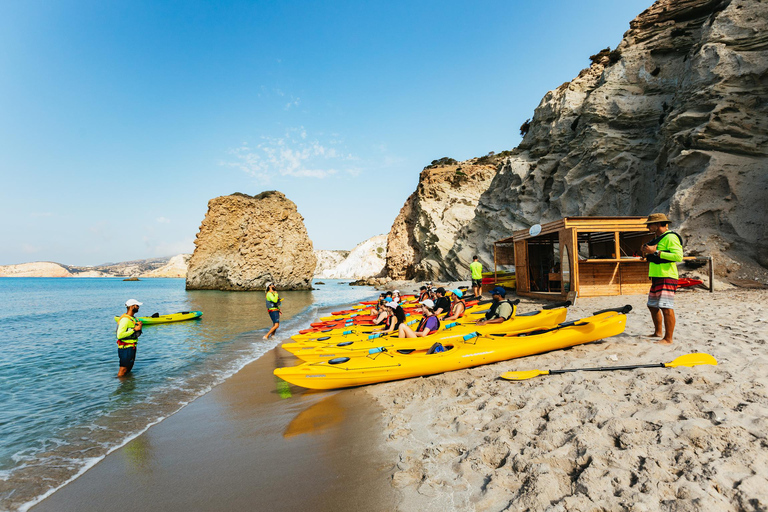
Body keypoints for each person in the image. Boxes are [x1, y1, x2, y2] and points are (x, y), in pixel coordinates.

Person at [641, 213, 683, 345]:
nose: (648, 227)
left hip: (667, 276)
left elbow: (678, 256)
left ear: (658, 224)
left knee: (666, 307)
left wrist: (656, 252)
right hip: (657, 276)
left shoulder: (670, 237)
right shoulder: (659, 238)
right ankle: (658, 332)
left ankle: (668, 339)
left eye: (650, 224)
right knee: (652, 306)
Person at [116, 299, 143, 377]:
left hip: (131, 347)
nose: (138, 307)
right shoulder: (125, 320)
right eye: (137, 305)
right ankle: (121, 386)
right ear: (132, 306)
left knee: (129, 368)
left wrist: (139, 327)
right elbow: (119, 335)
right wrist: (134, 329)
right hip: (125, 348)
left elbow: (135, 333)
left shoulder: (133, 318)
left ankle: (128, 386)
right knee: (123, 369)